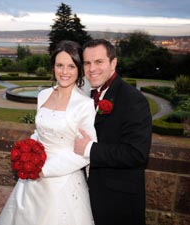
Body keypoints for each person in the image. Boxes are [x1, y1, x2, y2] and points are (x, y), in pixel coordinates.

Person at [0, 40, 97, 225]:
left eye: (71, 66)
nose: (64, 72)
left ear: (79, 69)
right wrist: (28, 152)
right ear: (53, 67)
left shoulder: (85, 105)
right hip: (32, 182)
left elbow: (85, 153)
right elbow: (39, 131)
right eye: (59, 65)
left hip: (63, 183)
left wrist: (43, 169)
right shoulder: (43, 95)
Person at [74, 39, 152, 225]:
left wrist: (90, 150)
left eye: (99, 62)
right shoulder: (85, 95)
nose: (92, 68)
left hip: (118, 203)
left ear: (113, 63)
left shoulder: (133, 100)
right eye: (87, 63)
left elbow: (136, 154)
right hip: (85, 195)